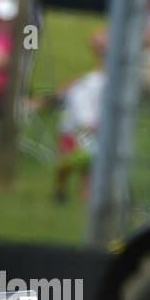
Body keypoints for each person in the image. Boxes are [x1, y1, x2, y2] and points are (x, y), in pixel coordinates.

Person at [53, 28, 106, 202]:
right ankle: (60, 192)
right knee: (67, 164)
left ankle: (87, 201)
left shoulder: (93, 80)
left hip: (91, 128)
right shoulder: (88, 80)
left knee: (90, 168)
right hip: (75, 129)